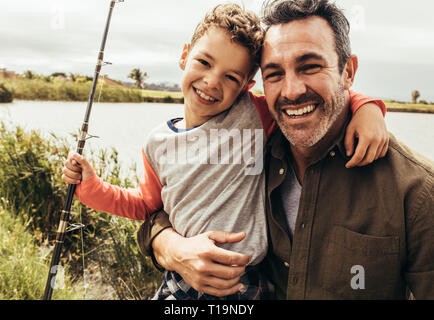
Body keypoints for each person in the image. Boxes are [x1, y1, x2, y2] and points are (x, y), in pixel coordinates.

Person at [62, 3, 388, 300]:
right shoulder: (156, 143)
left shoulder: (255, 115)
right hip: (181, 279)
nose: (211, 82)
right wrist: (90, 188)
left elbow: (316, 97)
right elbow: (144, 206)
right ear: (184, 55)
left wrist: (368, 109)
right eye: (204, 62)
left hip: (245, 284)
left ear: (247, 84)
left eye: (231, 77)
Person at [137, 0, 434, 299]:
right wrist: (172, 248)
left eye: (311, 66)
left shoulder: (417, 191)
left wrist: (368, 106)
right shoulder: (253, 147)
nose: (291, 91)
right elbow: (166, 206)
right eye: (275, 73)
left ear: (348, 72)